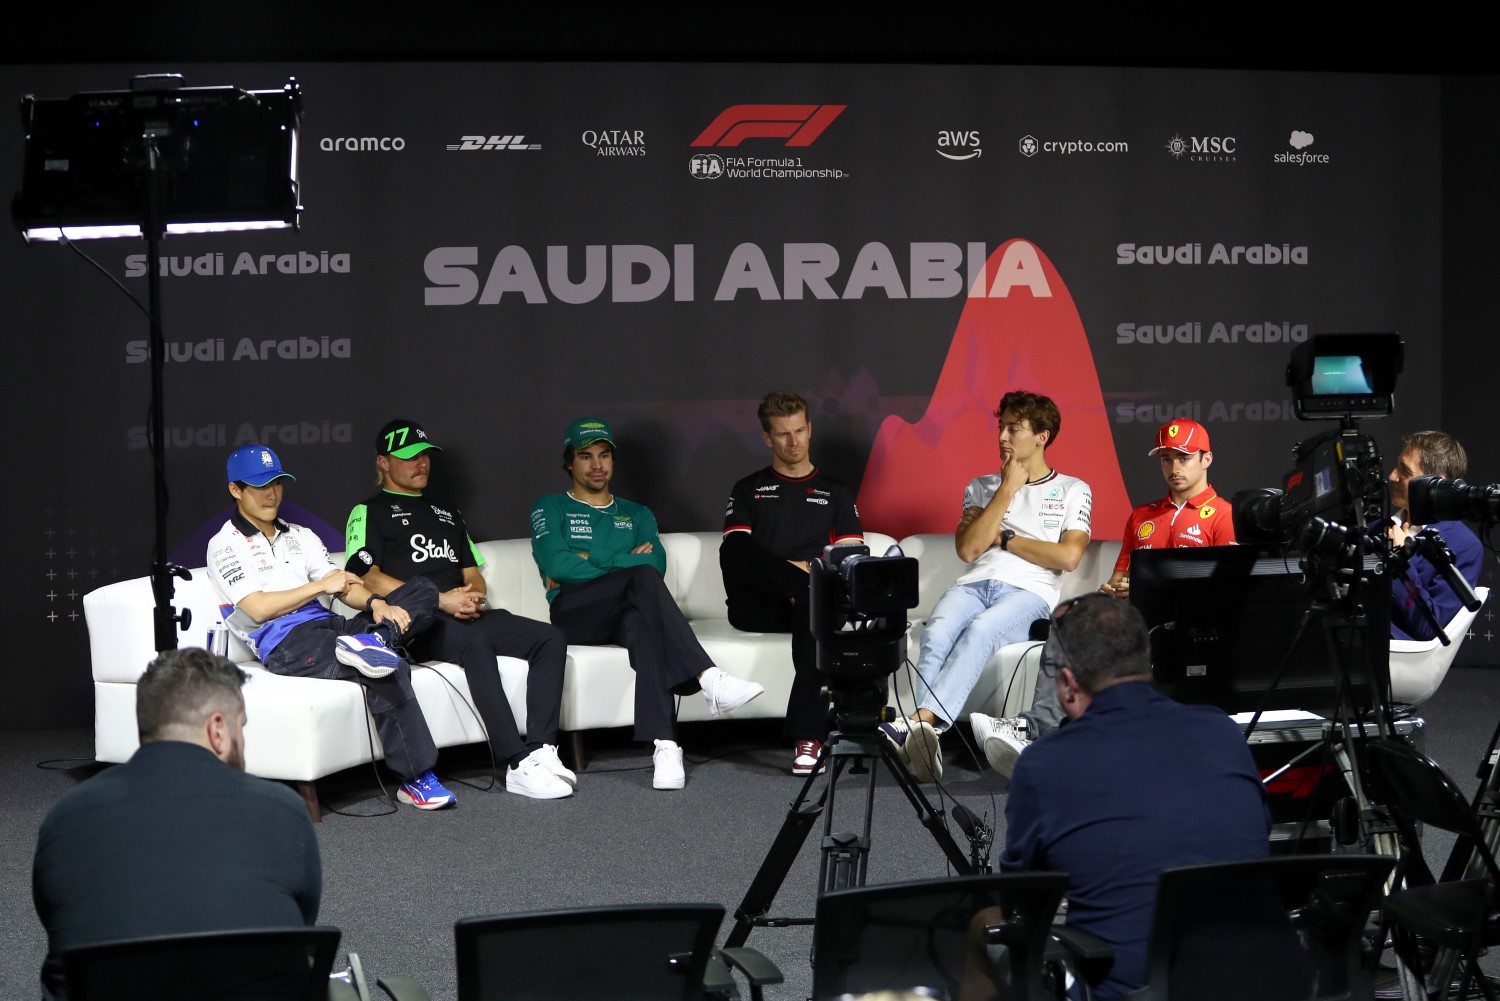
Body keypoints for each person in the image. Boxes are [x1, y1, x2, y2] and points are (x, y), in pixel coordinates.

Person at [998, 595, 1269, 999]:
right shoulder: (1222, 732)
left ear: (1070, 685)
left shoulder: (1044, 764)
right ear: (1147, 665)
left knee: (982, 930)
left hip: (1135, 991)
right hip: (1261, 979)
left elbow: (1022, 907)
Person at [33, 647, 322, 1001]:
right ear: (217, 729)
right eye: (240, 727)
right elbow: (299, 927)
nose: (242, 740)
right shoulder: (285, 811)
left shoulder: (65, 818)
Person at [973, 418, 1234, 777]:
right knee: (1066, 620)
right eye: (1166, 459)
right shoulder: (1142, 516)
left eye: (1184, 458)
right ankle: (1032, 730)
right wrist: (1116, 589)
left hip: (1189, 625)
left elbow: (1226, 591)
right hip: (1135, 618)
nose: (1174, 468)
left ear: (1207, 460)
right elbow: (1117, 579)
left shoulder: (1223, 515)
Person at [206, 443, 456, 810]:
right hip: (287, 643)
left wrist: (376, 603)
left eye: (276, 482)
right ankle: (416, 780)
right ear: (235, 490)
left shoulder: (301, 535)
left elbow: (343, 584)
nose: (272, 493)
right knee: (386, 666)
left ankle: (374, 639)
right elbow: (258, 609)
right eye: (260, 486)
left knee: (422, 590)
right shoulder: (224, 545)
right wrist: (321, 587)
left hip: (332, 627)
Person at [345, 419, 575, 800]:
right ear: (384, 463)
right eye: (409, 458)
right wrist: (439, 600)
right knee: (474, 647)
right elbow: (366, 576)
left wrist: (471, 597)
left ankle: (540, 749)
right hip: (417, 621)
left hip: (463, 613)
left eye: (425, 456)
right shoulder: (368, 510)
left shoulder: (447, 511)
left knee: (550, 638)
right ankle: (514, 762)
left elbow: (473, 572)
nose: (421, 464)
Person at [530, 418, 764, 790]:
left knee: (643, 624)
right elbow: (558, 565)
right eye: (585, 456)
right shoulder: (550, 507)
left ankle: (665, 745)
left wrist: (589, 557)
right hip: (575, 611)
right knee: (638, 581)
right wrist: (623, 559)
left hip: (625, 608)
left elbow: (654, 564)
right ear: (569, 463)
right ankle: (708, 677)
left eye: (604, 455)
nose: (596, 465)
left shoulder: (637, 514)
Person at [883, 390, 1092, 783]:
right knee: (939, 630)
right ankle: (925, 734)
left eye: (1014, 429)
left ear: (1042, 436)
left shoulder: (1072, 489)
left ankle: (919, 723)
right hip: (974, 584)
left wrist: (1006, 538)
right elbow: (968, 548)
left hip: (1029, 594)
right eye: (1001, 428)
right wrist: (1007, 490)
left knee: (980, 630)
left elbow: (1066, 557)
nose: (1002, 437)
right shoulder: (981, 486)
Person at [721, 391, 864, 776]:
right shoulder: (748, 488)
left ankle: (809, 738)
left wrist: (812, 577)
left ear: (810, 429)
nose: (793, 441)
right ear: (767, 438)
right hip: (759, 605)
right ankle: (808, 589)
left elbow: (852, 556)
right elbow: (738, 557)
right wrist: (794, 571)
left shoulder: (835, 490)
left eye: (799, 431)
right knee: (734, 545)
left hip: (812, 603)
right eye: (783, 434)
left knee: (814, 603)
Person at [1385, 430, 1485, 640]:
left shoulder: (1464, 546)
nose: (1392, 476)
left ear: (1433, 483)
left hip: (1390, 656)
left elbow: (1429, 628)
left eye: (1404, 470)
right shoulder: (1377, 527)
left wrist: (1400, 559)